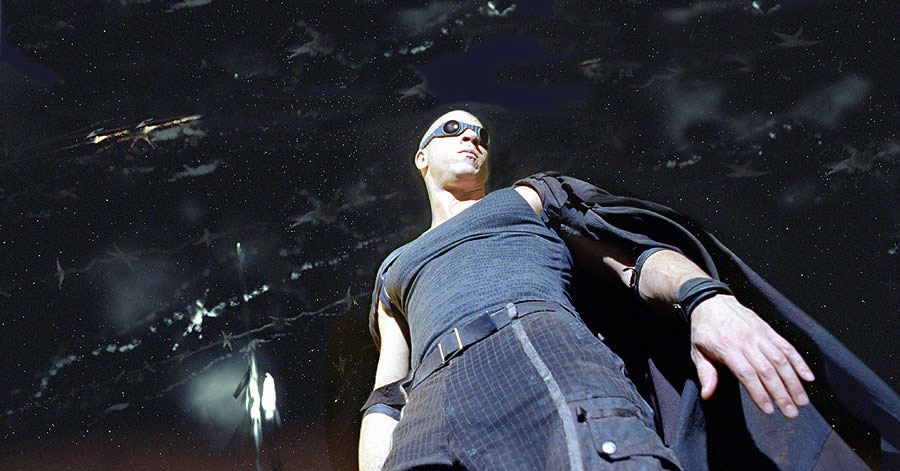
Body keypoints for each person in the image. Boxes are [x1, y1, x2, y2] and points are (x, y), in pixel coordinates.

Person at [356, 110, 835, 471]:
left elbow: (632, 260)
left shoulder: (525, 198)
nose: (472, 138)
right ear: (422, 157)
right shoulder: (393, 266)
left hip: (543, 351)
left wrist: (704, 297)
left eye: (480, 134)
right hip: (430, 405)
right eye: (454, 129)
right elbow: (387, 394)